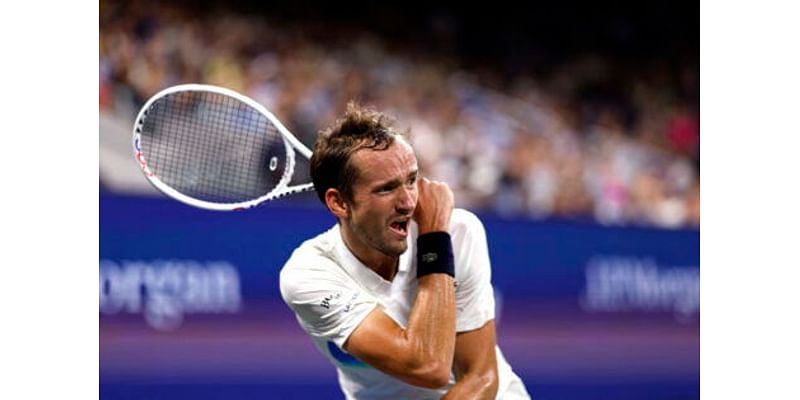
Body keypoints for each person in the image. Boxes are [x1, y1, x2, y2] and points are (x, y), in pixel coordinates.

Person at [280, 102, 531, 399]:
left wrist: (437, 234)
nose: (408, 202)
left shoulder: (459, 231)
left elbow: (480, 377)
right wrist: (434, 238)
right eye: (386, 189)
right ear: (339, 203)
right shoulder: (309, 274)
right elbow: (428, 366)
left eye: (411, 180)